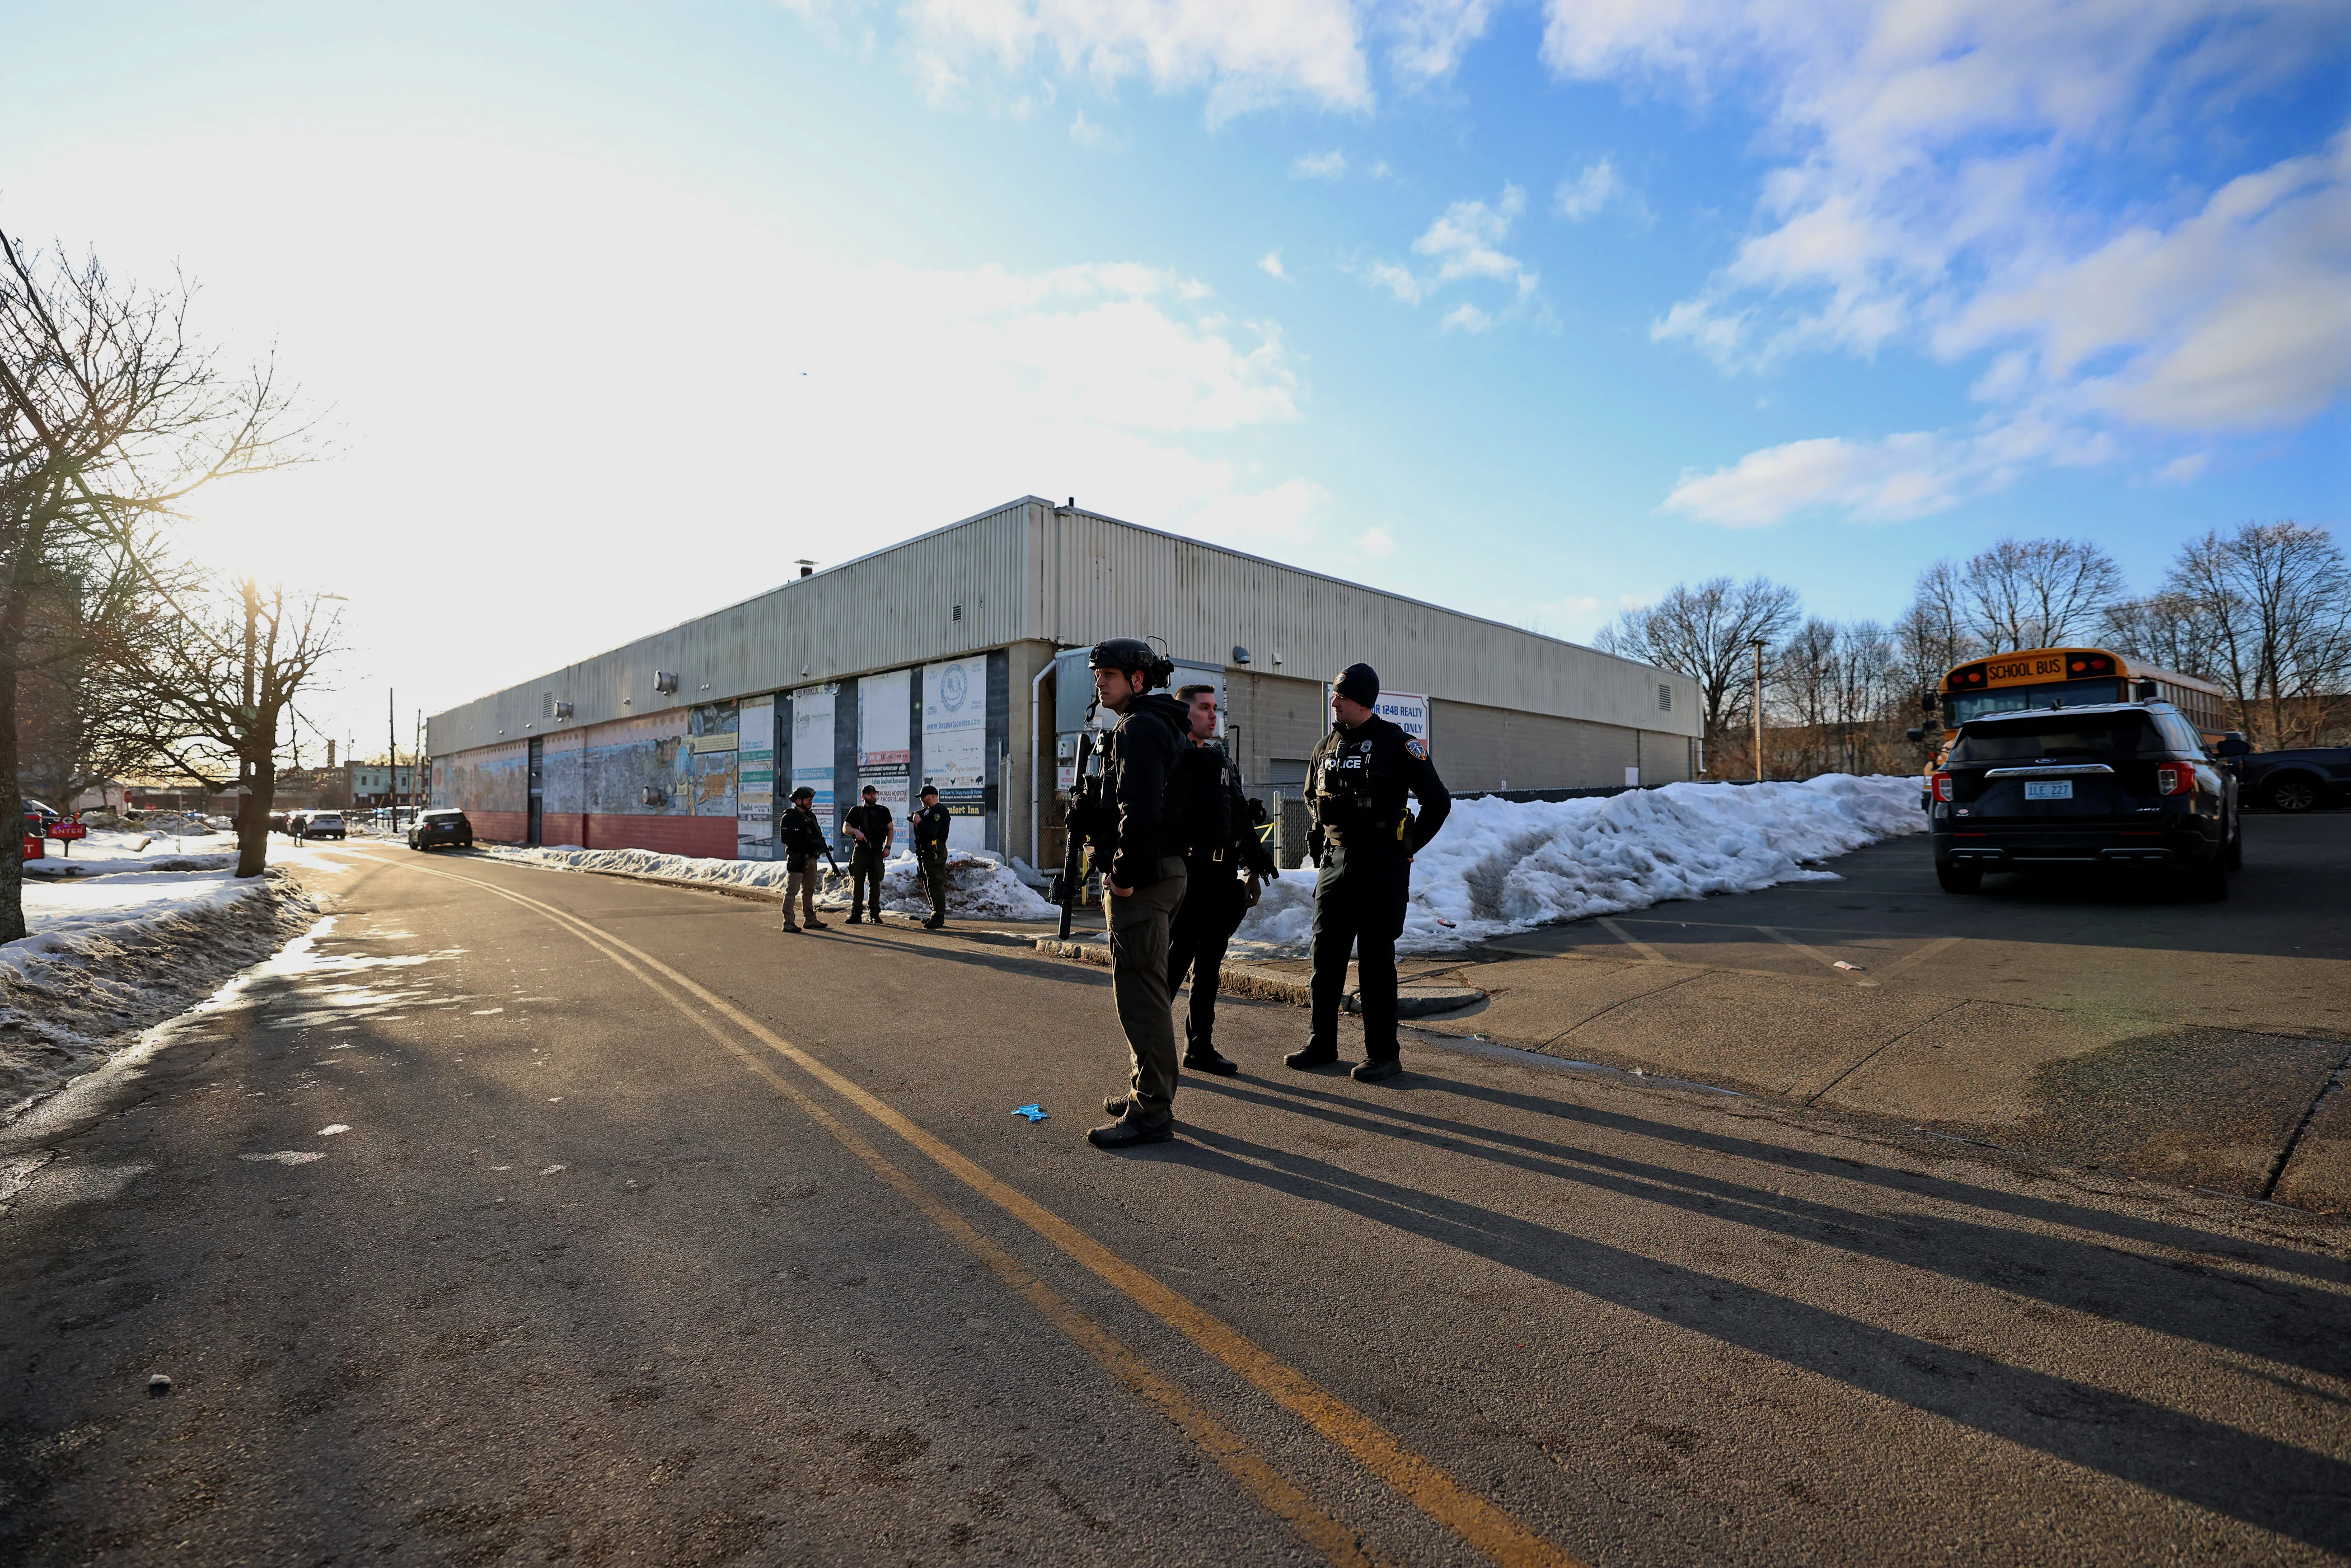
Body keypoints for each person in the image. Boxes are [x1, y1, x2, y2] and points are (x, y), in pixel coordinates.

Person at [1290, 663, 1449, 1083]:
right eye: (1335, 694)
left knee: (1376, 961)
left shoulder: (1399, 743)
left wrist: (1408, 844)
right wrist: (1324, 830)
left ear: (1362, 700)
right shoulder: (1326, 745)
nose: (1334, 701)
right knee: (1325, 956)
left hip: (1381, 864)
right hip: (1335, 862)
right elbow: (1311, 795)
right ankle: (1321, 1042)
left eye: (1341, 695)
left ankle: (1383, 1054)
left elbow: (1437, 801)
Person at [1081, 638, 1193, 1150]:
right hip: (1158, 873)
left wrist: (1123, 875)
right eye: (1097, 673)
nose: (1100, 681)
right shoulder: (1154, 723)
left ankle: (1152, 1112)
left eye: (1109, 673)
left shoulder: (1141, 727)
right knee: (1138, 991)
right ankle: (1145, 1092)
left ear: (1139, 680)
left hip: (1144, 880)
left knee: (1142, 996)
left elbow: (1141, 813)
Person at [1163, 683, 1275, 1077]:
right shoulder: (1172, 757)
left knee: (1209, 964)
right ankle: (1150, 1056)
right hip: (1187, 876)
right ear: (1185, 714)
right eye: (1205, 708)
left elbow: (1238, 813)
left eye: (1216, 708)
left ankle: (1200, 1046)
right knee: (1174, 963)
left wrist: (1251, 863)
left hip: (1221, 875)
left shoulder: (1221, 761)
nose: (1213, 715)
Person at [778, 786, 830, 933]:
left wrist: (817, 847)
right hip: (798, 858)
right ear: (798, 800)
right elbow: (786, 839)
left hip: (811, 858)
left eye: (811, 799)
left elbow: (816, 836)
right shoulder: (789, 817)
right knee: (792, 890)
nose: (810, 802)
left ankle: (810, 919)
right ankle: (788, 922)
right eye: (808, 799)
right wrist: (804, 849)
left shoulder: (811, 816)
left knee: (809, 890)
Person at [842, 784, 894, 924]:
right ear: (863, 796)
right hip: (861, 851)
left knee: (875, 883)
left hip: (877, 851)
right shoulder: (856, 811)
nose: (873, 796)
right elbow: (845, 828)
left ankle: (875, 914)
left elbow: (890, 829)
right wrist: (856, 831)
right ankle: (856, 913)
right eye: (870, 794)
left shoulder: (883, 811)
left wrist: (888, 847)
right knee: (858, 882)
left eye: (875, 794)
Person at [910, 784, 953, 929]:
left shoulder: (938, 811)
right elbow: (913, 816)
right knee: (929, 882)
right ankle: (935, 912)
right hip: (927, 851)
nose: (922, 799)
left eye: (924, 797)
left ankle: (938, 916)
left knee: (935, 883)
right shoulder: (929, 811)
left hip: (935, 850)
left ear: (933, 796)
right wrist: (916, 818)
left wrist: (919, 822)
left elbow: (932, 831)